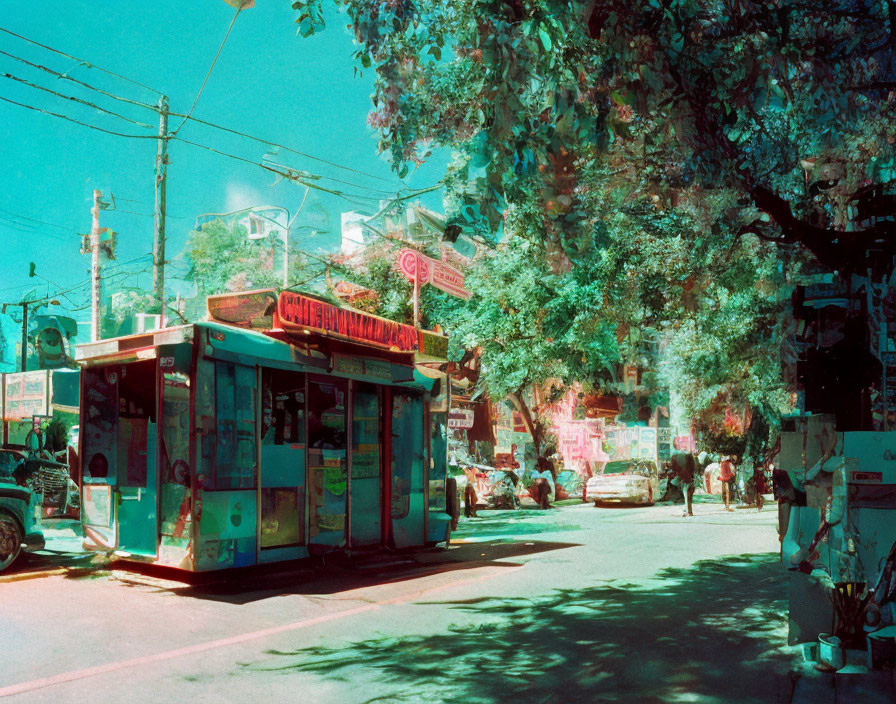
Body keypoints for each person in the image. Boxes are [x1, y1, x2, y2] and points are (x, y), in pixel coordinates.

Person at [670, 452, 696, 517]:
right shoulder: (689, 461)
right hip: (689, 478)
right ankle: (689, 511)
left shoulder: (678, 459)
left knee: (686, 494)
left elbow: (674, 469)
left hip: (685, 479)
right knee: (688, 495)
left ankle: (688, 511)